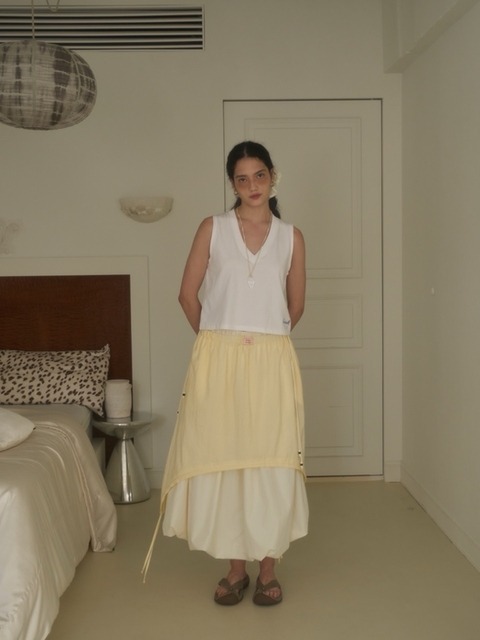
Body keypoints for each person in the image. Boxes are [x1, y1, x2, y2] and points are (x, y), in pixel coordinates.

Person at [142, 140, 309, 606]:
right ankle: (236, 569)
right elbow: (187, 294)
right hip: (217, 359)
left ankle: (268, 568)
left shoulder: (291, 237)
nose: (252, 185)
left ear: (272, 176)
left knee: (271, 460)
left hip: (272, 362)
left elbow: (295, 306)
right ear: (232, 184)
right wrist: (215, 342)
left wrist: (262, 342)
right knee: (226, 458)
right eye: (242, 178)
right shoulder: (212, 228)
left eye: (259, 175)